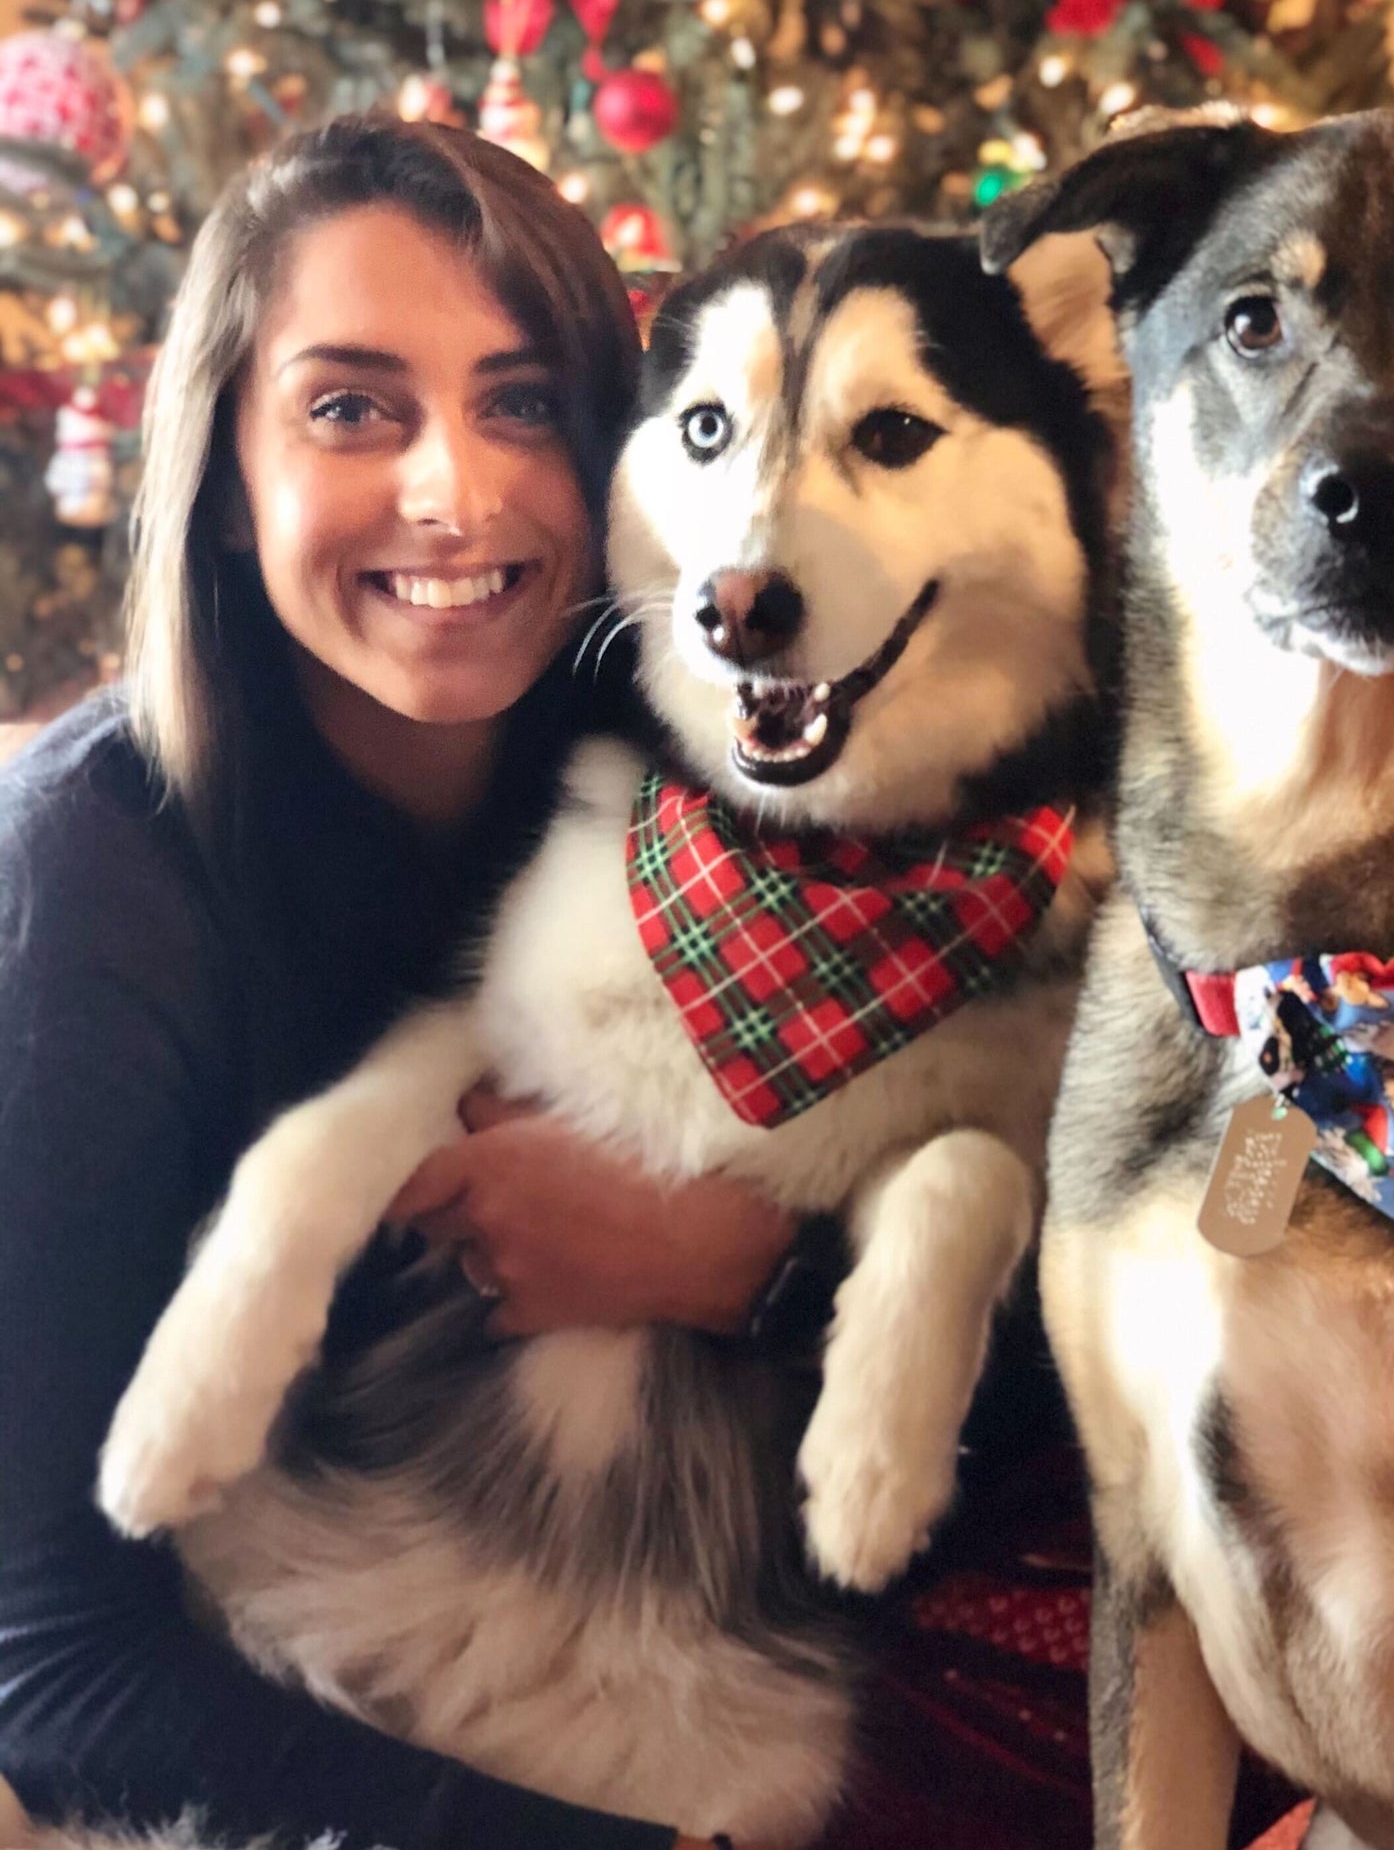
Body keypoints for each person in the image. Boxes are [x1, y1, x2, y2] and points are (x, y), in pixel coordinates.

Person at [0, 118, 805, 1847]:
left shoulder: (725, 782)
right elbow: (51, 1665)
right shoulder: (95, 870)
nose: (456, 491)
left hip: (727, 1677)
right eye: (353, 408)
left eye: (526, 404)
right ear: (223, 470)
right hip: (311, 1736)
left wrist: (741, 1264)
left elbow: (1073, 1343)